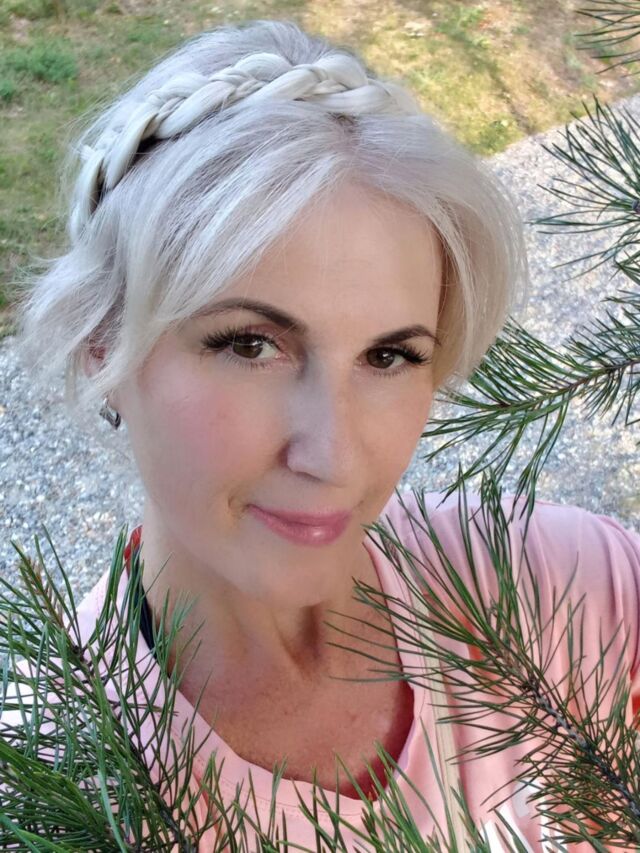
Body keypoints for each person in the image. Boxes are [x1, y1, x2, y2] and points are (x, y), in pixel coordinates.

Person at [7, 17, 640, 851]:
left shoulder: (572, 594)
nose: (334, 456)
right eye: (250, 345)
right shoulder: (52, 790)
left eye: (389, 356)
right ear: (102, 343)